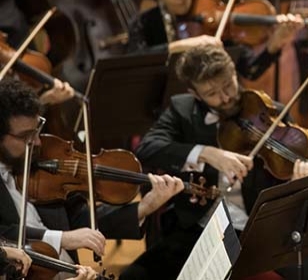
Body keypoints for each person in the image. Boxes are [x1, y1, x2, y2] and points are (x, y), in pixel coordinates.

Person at [123, 45, 308, 280]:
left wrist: (298, 182)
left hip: (257, 231)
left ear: (234, 73)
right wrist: (207, 153)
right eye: (212, 93)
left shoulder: (270, 114)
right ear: (195, 93)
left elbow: (284, 188)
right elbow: (148, 148)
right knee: (134, 276)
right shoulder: (182, 110)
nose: (226, 97)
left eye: (229, 84)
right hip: (198, 231)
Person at [0, 79, 184, 267]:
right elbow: (4, 233)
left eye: (37, 130)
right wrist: (62, 238)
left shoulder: (39, 159)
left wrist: (144, 207)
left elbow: (80, 219)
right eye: (26, 136)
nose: (37, 142)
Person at [127, 0, 303, 80]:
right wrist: (183, 46)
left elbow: (250, 71)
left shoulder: (211, 18)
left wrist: (274, 45)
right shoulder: (146, 22)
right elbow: (134, 61)